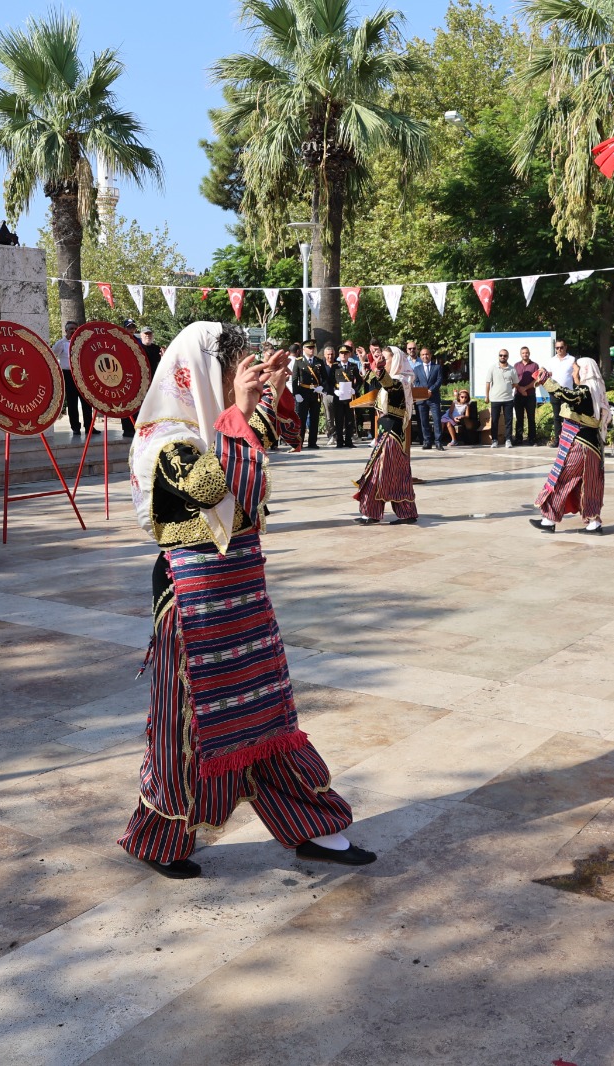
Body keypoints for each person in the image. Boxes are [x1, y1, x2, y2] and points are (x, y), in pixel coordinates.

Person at [120, 321, 373, 878]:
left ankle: (313, 825)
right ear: (207, 376)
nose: (245, 380)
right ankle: (162, 837)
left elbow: (249, 484)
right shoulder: (168, 440)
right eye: (237, 370)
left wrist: (258, 402)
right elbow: (229, 495)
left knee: (268, 710)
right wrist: (240, 411)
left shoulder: (212, 431)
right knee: (188, 724)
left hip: (242, 596)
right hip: (193, 605)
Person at [531, 356, 609, 534]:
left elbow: (565, 394)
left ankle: (549, 519)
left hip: (580, 444)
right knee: (589, 483)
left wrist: (545, 380)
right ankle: (593, 522)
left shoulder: (584, 390)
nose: (573, 373)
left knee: (562, 477)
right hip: (594, 447)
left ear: (583, 371)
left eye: (574, 370)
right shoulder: (597, 390)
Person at [354, 346, 418, 524]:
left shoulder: (400, 382)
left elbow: (386, 382)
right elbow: (373, 381)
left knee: (378, 473)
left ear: (395, 360)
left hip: (391, 436)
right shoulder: (393, 382)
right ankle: (406, 513)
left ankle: (372, 513)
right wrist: (364, 362)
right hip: (388, 434)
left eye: (385, 358)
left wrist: (378, 367)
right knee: (396, 474)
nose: (382, 361)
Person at [52, 322, 93, 438]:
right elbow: (53, 353)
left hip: (81, 374)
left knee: (87, 402)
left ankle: (89, 427)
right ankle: (75, 428)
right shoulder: (61, 343)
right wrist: (66, 339)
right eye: (71, 329)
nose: (73, 330)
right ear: (66, 331)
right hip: (68, 375)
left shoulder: (82, 342)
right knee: (72, 403)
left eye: (75, 328)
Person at [293, 341, 324, 449]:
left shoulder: (319, 361)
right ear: (303, 349)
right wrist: (296, 393)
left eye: (312, 348)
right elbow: (294, 379)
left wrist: (322, 387)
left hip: (315, 393)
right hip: (303, 393)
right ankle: (299, 442)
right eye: (309, 348)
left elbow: (324, 378)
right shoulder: (299, 362)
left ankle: (312, 442)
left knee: (314, 418)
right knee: (301, 418)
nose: (311, 350)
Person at [413, 346, 445, 449]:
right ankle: (427, 441)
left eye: (426, 354)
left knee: (436, 420)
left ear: (430, 355)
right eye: (422, 354)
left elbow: (439, 380)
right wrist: (423, 391)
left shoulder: (437, 367)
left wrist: (431, 390)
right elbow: (416, 382)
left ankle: (438, 442)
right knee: (423, 421)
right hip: (421, 398)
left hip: (433, 397)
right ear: (420, 356)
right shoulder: (417, 369)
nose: (425, 356)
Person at [485, 349, 517, 449]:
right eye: (501, 355)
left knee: (508, 420)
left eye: (505, 355)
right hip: (495, 399)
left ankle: (508, 440)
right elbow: (488, 383)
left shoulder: (512, 369)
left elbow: (515, 383)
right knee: (494, 420)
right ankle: (494, 440)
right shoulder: (492, 368)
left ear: (508, 356)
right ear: (498, 356)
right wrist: (487, 396)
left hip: (508, 399)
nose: (503, 357)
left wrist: (507, 388)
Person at [548, 338, 577, 447]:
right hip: (555, 392)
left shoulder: (572, 359)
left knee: (568, 416)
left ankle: (568, 440)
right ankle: (557, 440)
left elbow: (576, 374)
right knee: (556, 417)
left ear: (565, 347)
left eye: (561, 347)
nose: (559, 350)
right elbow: (548, 374)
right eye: (557, 348)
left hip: (567, 392)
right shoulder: (551, 360)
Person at [330, 346, 360, 448]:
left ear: (349, 354)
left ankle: (348, 440)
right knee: (338, 419)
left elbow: (360, 380)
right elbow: (329, 382)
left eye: (345, 353)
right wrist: (335, 391)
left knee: (349, 420)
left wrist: (355, 389)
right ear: (339, 354)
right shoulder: (335, 367)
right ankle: (339, 441)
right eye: (341, 353)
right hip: (339, 396)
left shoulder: (353, 366)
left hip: (349, 396)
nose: (343, 355)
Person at [513, 346, 541, 446]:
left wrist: (526, 388)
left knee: (531, 417)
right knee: (519, 418)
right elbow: (513, 379)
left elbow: (537, 380)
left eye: (527, 352)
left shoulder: (534, 365)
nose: (525, 354)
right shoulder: (516, 365)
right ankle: (518, 439)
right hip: (518, 395)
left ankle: (532, 439)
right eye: (523, 353)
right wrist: (520, 389)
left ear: (529, 353)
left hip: (530, 395)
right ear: (521, 354)